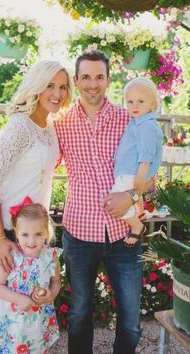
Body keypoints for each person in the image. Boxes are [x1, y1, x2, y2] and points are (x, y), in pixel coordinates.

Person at [55, 50, 145, 354]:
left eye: (99, 77)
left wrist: (130, 196)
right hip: (79, 233)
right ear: (76, 80)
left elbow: (151, 175)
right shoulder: (61, 123)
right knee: (79, 314)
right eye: (86, 77)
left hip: (124, 235)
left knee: (131, 321)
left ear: (108, 79)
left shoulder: (128, 119)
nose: (93, 84)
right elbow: (40, 165)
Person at [0, 60, 72, 308]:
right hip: (5, 230)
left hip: (34, 230)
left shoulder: (51, 126)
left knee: (33, 301)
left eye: (63, 87)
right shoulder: (19, 127)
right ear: (37, 85)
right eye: (50, 86)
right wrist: (0, 239)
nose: (57, 94)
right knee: (6, 307)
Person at [0, 197, 62, 353]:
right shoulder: (12, 256)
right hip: (11, 320)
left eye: (38, 234)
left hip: (36, 321)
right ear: (16, 232)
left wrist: (50, 295)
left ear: (46, 232)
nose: (31, 241)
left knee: (34, 348)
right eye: (25, 235)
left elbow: (56, 282)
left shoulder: (51, 257)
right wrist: (18, 298)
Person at [110, 77, 163, 246]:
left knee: (114, 204)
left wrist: (141, 176)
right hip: (129, 171)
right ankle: (139, 211)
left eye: (141, 101)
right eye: (130, 101)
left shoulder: (146, 125)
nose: (135, 106)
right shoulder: (137, 122)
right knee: (129, 198)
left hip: (133, 172)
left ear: (153, 104)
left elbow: (146, 152)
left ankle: (136, 226)